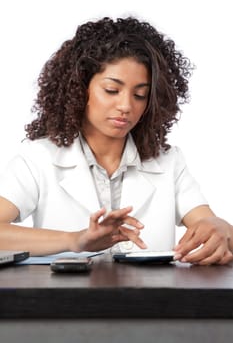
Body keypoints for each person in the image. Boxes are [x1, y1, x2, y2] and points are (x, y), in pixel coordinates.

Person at [0, 16, 232, 265]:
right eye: (112, 90)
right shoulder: (38, 159)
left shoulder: (168, 162)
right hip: (67, 303)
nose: (126, 106)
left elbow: (208, 224)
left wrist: (221, 228)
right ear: (80, 88)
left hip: (153, 303)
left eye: (140, 95)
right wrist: (76, 240)